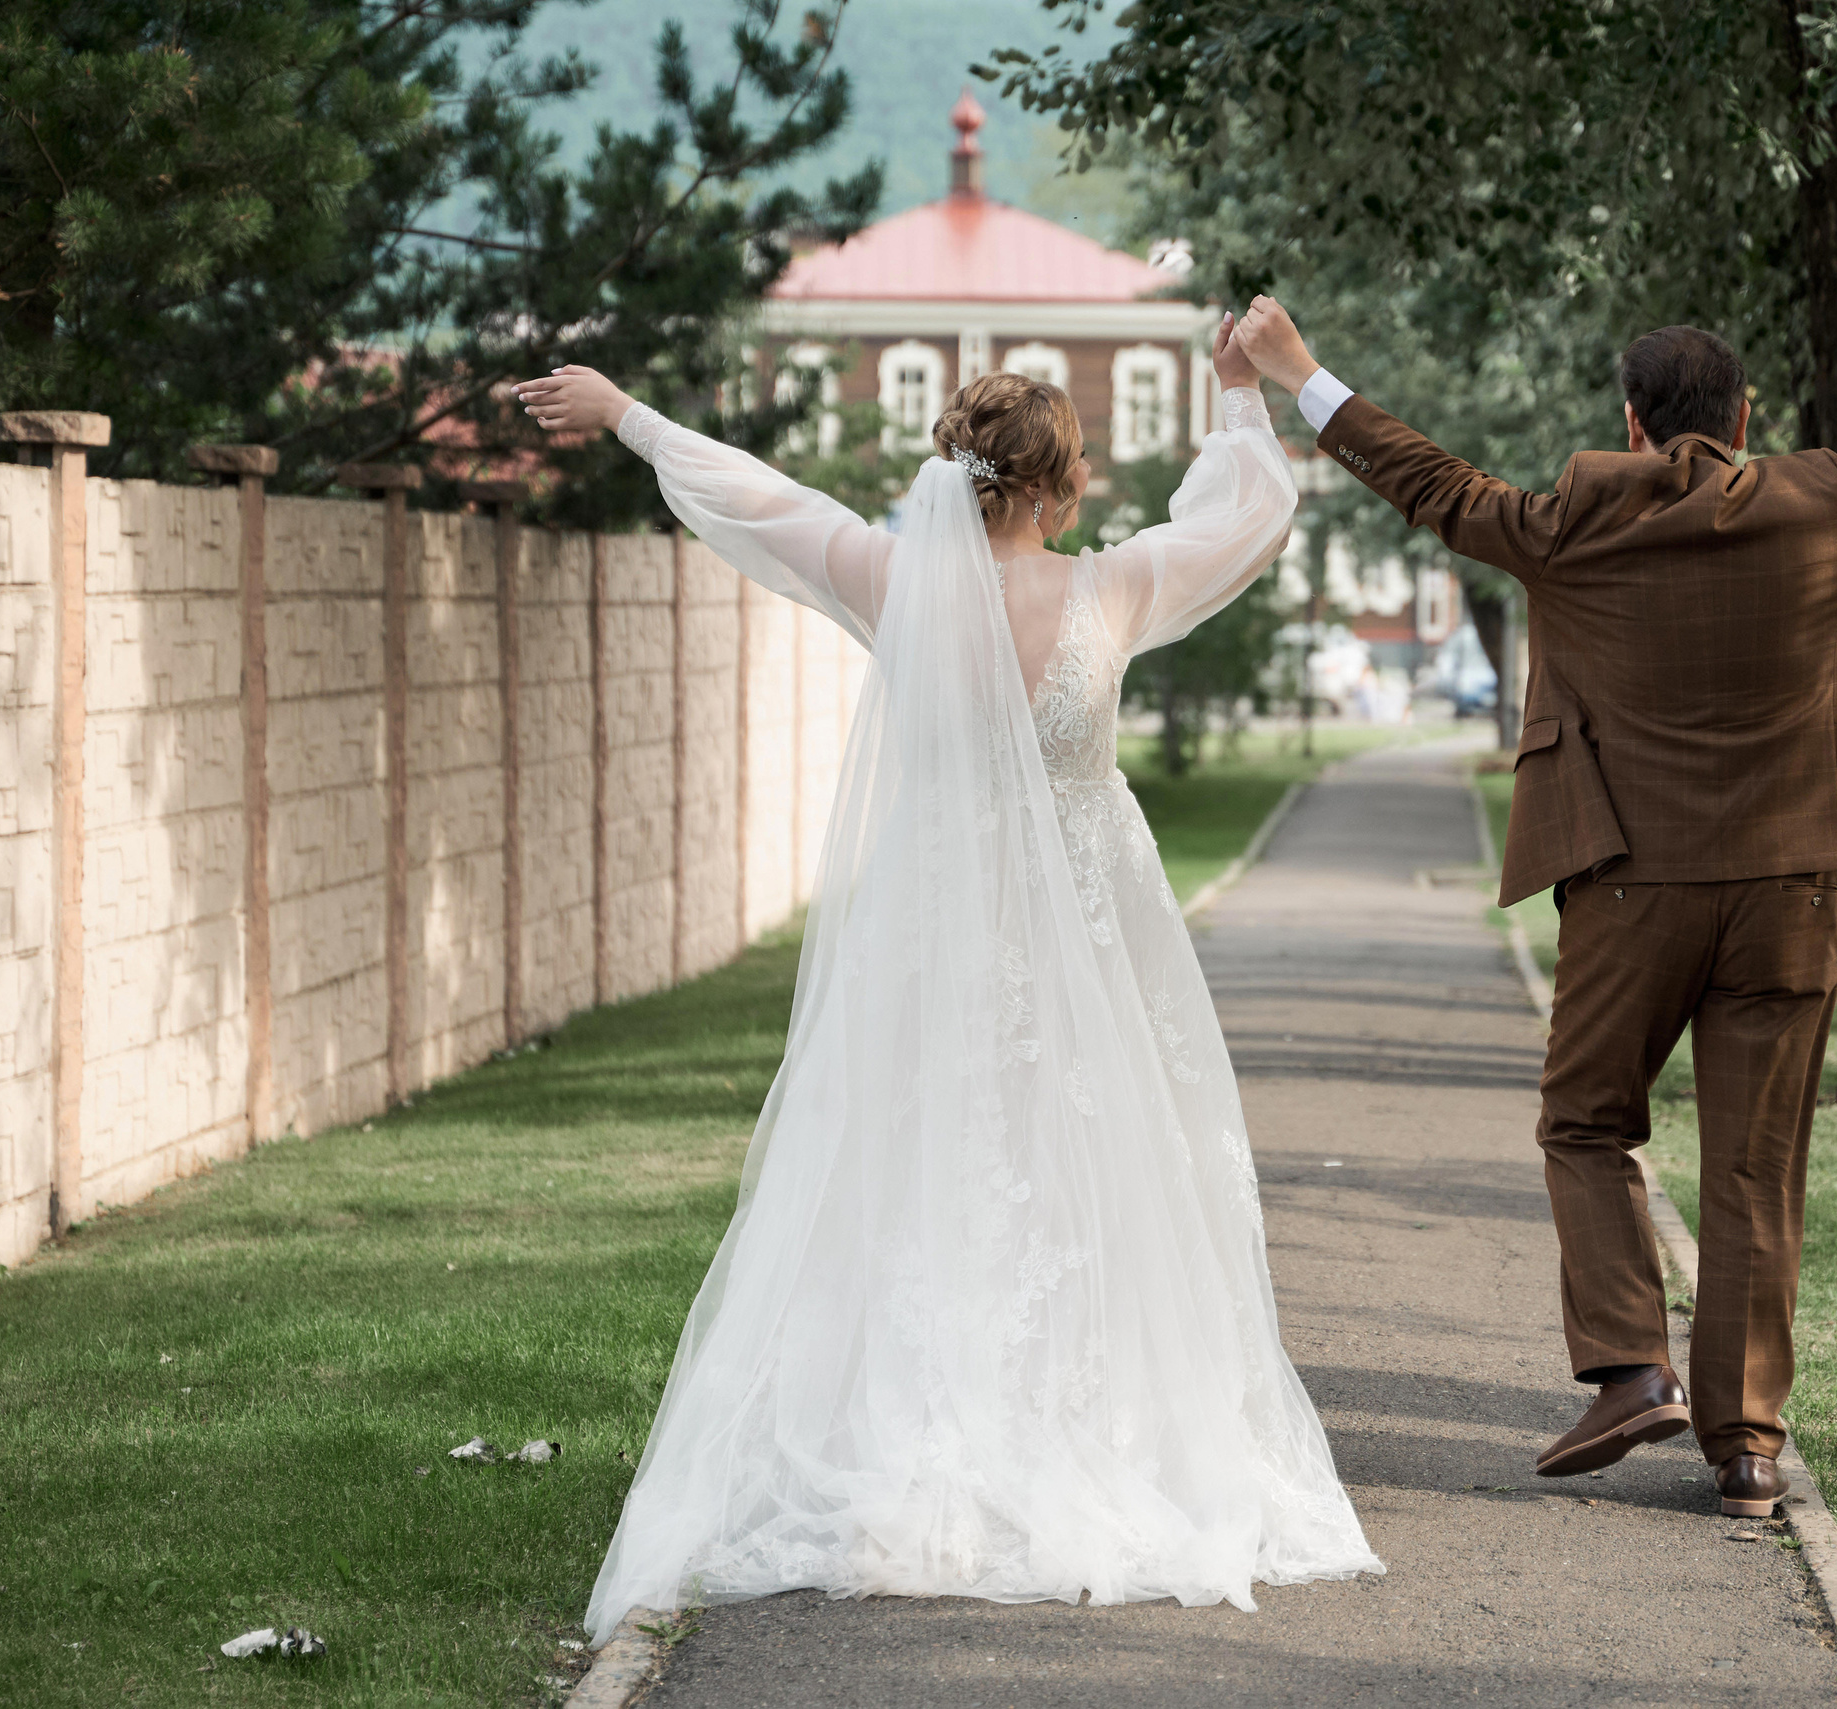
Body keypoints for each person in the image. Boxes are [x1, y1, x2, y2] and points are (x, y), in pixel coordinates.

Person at [514, 315, 1382, 1645]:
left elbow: (757, 498)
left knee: (927, 1160)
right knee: (1092, 1165)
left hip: (941, 922)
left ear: (956, 471)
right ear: (1062, 483)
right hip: (1091, 933)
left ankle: (920, 1427)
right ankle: (1096, 1430)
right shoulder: (1122, 583)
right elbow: (1246, 518)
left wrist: (625, 410)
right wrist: (1230, 390)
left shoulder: (888, 576)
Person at [1230, 261, 1837, 1518]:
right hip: (1790, 892)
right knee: (1751, 1165)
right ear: (1744, 419)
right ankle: (1745, 1450)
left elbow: (1433, 484)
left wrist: (1302, 374)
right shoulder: (1831, 505)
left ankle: (1630, 1371)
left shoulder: (1580, 516)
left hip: (1630, 892)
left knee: (1583, 1121)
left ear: (1631, 423)